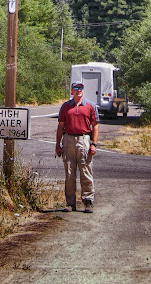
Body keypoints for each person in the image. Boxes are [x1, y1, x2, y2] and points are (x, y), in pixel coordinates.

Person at [55, 82, 99, 213]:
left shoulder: (90, 106)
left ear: (83, 91)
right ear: (72, 91)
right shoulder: (66, 107)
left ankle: (88, 201)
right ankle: (70, 203)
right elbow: (60, 126)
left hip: (84, 139)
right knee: (69, 172)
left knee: (85, 170)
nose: (79, 90)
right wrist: (58, 144)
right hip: (68, 139)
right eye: (76, 88)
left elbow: (95, 126)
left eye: (81, 88)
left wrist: (93, 144)